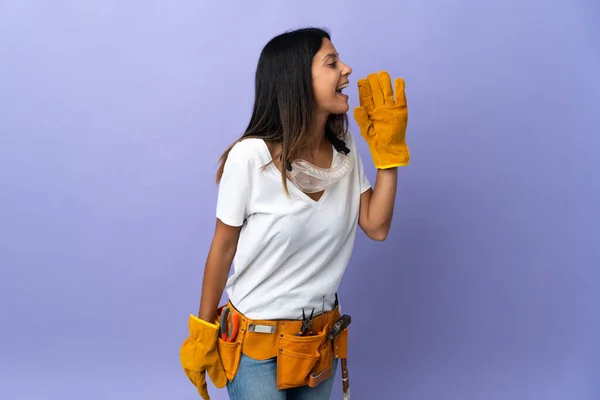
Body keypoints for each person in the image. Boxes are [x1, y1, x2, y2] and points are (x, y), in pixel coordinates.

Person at [179, 27, 410, 400]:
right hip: (255, 344)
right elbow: (222, 248)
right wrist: (204, 330)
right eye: (332, 62)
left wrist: (390, 157)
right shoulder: (250, 157)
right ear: (298, 80)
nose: (347, 69)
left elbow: (376, 225)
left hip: (320, 340)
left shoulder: (345, 149)